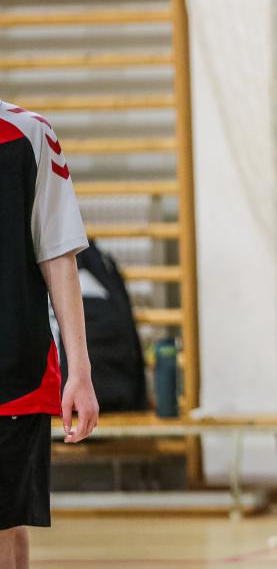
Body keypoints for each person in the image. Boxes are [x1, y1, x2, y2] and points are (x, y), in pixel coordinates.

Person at [0, 101, 99, 569]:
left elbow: (58, 255)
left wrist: (80, 371)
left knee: (5, 522)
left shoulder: (29, 134)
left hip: (14, 373)